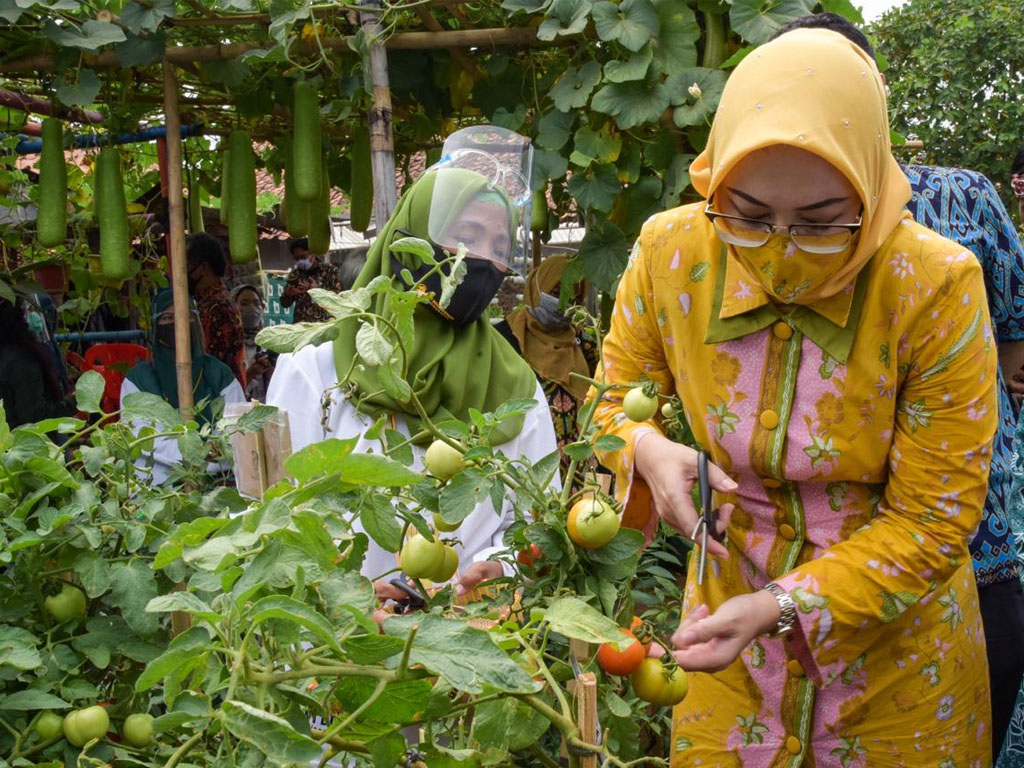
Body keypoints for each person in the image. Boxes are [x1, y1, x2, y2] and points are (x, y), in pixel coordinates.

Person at [592, 29, 995, 764]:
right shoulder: (671, 255)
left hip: (896, 673)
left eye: (820, 224)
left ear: (870, 192)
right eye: (745, 215)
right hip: (722, 657)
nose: (778, 247)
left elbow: (936, 518)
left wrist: (784, 606)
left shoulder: (932, 287)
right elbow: (612, 400)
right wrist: (644, 448)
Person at [768, 13, 1024, 759]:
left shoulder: (964, 200)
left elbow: (1014, 348)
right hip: (809, 574)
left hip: (975, 546)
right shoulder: (750, 228)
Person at [267, 126, 558, 607]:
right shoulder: (317, 371)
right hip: (338, 654)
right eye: (464, 236)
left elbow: (533, 523)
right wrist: (345, 599)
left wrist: (503, 567)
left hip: (472, 647)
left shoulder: (515, 385)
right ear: (408, 239)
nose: (481, 258)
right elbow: (276, 517)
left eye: (500, 247)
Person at [121, 291, 245, 484]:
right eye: (168, 318)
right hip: (158, 484)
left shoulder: (218, 374)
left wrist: (209, 460)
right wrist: (197, 456)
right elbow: (143, 439)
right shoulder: (138, 379)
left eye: (186, 316)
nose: (177, 324)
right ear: (155, 325)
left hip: (216, 480)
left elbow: (238, 431)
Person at [495, 254, 597, 475]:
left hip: (576, 475)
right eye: (557, 292)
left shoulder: (585, 344)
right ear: (537, 286)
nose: (563, 304)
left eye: (573, 296)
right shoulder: (504, 339)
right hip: (523, 465)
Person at [0, 296, 76, 429]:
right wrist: (75, 402)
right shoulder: (21, 360)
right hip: (24, 444)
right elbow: (34, 417)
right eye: (27, 311)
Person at [186, 233, 247, 386]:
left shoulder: (216, 307)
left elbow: (205, 362)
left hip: (217, 397)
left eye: (185, 266)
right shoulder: (213, 301)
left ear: (203, 269)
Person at [280, 237, 343, 323]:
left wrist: (317, 290)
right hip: (301, 325)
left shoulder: (330, 271)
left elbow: (339, 298)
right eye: (296, 259)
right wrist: (288, 294)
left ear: (312, 253)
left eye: (303, 257)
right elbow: (284, 304)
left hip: (324, 324)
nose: (300, 261)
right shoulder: (294, 274)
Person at [231, 283, 275, 402]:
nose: (252, 308)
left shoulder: (267, 342)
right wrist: (250, 373)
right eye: (244, 303)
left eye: (257, 303)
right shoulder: (229, 344)